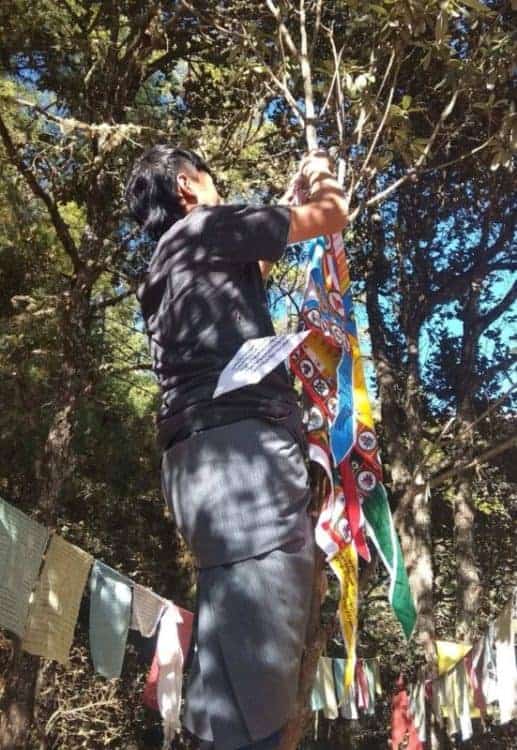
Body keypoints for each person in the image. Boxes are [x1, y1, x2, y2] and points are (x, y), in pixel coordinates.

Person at [125, 146, 348, 750]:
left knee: (230, 643)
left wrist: (288, 199)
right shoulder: (207, 228)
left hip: (194, 465)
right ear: (187, 185)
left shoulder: (170, 265)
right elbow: (335, 215)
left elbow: (259, 260)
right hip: (242, 460)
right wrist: (322, 168)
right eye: (211, 176)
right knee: (261, 660)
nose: (219, 188)